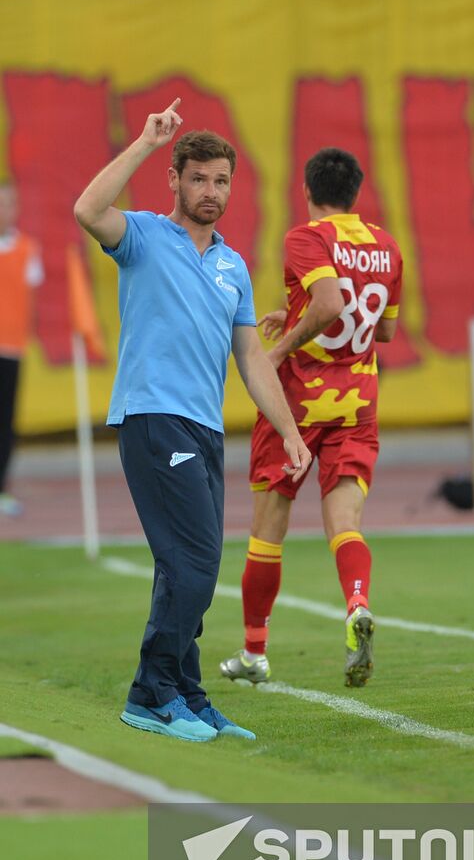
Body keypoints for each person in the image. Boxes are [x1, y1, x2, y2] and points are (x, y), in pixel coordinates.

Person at [74, 98, 311, 743]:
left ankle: (188, 694)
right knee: (197, 563)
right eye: (199, 178)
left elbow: (252, 359)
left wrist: (290, 431)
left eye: (221, 180)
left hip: (205, 430)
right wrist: (149, 140)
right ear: (175, 180)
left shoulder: (233, 267)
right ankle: (150, 696)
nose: (211, 191)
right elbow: (87, 210)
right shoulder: (144, 237)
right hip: (153, 417)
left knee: (184, 565)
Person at [220, 147, 403, 689]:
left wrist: (279, 350)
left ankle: (255, 651)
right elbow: (385, 332)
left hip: (298, 402)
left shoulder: (307, 238)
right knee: (345, 525)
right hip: (358, 401)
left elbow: (326, 305)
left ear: (307, 191)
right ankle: (357, 603)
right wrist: (295, 312)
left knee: (268, 530)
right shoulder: (386, 246)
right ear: (356, 192)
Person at [0, 181, 43, 517]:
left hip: (12, 349)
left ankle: (2, 488)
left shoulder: (28, 249)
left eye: (9, 204)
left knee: (5, 422)